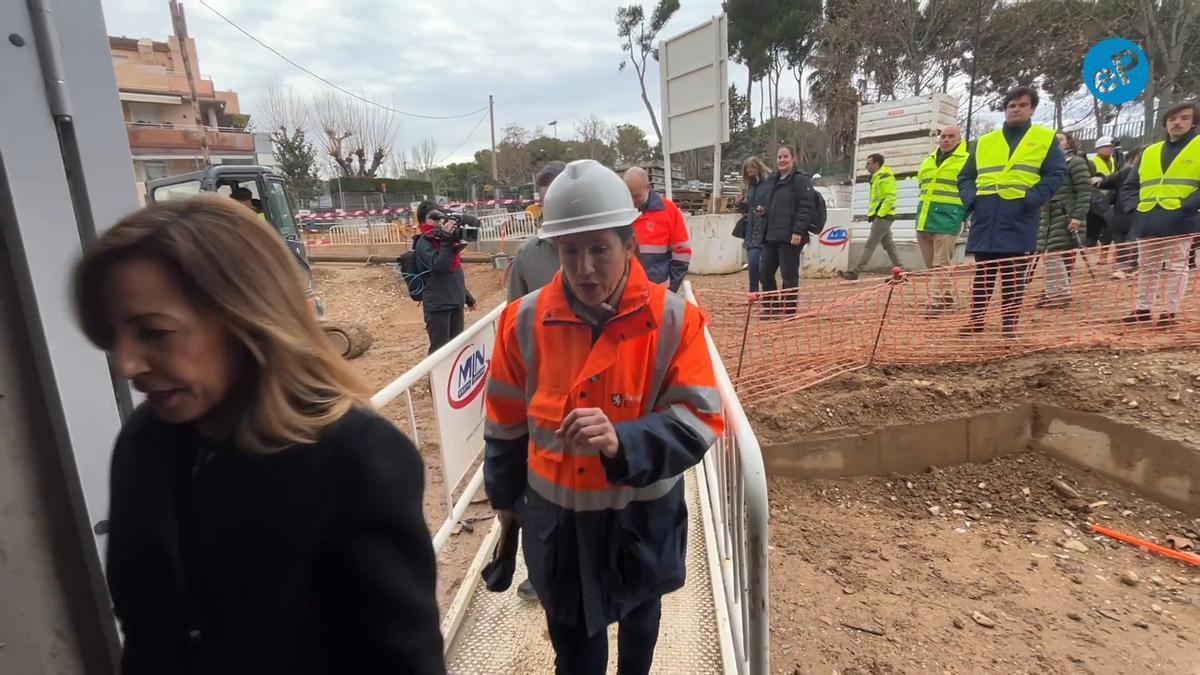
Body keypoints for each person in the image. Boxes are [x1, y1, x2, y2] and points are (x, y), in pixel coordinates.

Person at [73, 196, 445, 674]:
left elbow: (402, 661)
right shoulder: (147, 441)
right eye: (113, 335)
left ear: (245, 318)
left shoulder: (356, 458)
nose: (126, 365)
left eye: (155, 333)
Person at [483, 160, 723, 675]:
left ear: (629, 246)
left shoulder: (673, 319)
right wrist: (505, 505)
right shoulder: (522, 322)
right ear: (554, 250)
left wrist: (624, 440)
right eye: (571, 252)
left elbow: (700, 417)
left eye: (600, 250)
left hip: (641, 523)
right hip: (560, 530)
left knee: (638, 641)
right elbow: (504, 426)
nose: (586, 268)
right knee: (575, 657)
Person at [505, 160, 568, 604]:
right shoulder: (528, 256)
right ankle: (539, 572)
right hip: (541, 392)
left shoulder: (600, 247)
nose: (549, 207)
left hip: (595, 388)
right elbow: (512, 325)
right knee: (538, 489)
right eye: (544, 201)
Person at [958, 85, 1067, 337]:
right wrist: (972, 200)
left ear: (1032, 109)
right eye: (1011, 105)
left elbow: (1056, 173)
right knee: (983, 274)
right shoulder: (985, 142)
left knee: (1013, 275)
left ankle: (1009, 324)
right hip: (986, 215)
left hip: (1019, 215)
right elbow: (965, 176)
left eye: (1022, 105)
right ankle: (976, 320)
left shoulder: (1043, 139)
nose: (1016, 109)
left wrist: (1033, 199)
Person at [1121, 101, 1200, 327]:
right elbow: (1129, 185)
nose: (1177, 123)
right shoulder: (1150, 151)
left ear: (1194, 122)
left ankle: (1169, 311)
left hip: (1180, 218)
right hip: (1147, 217)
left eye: (1184, 118)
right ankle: (1142, 309)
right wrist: (1133, 208)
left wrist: (1187, 206)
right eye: (1173, 119)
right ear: (1165, 123)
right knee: (1147, 266)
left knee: (1177, 265)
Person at [914, 125, 969, 310]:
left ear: (959, 139)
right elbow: (922, 188)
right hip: (925, 219)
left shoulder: (967, 162)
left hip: (948, 219)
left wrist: (962, 215)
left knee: (941, 263)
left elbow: (971, 192)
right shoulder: (927, 161)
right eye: (943, 136)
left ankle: (936, 300)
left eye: (951, 136)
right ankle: (946, 296)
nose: (946, 140)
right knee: (932, 264)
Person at [1036, 131, 1092, 308]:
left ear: (1069, 143)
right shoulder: (1047, 166)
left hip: (1066, 216)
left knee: (1055, 254)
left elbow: (1084, 190)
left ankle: (1059, 294)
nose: (1056, 143)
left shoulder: (1075, 162)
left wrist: (1077, 216)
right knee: (1050, 255)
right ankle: (1052, 291)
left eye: (1060, 140)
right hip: (1049, 217)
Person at [759, 145, 817, 315]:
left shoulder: (801, 181)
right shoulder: (772, 180)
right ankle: (770, 307)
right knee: (765, 273)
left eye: (785, 157)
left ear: (793, 159)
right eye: (779, 157)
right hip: (770, 235)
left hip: (790, 237)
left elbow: (806, 207)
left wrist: (798, 231)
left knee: (788, 275)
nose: (782, 160)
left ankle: (788, 310)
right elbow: (768, 203)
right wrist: (763, 210)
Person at [415, 200, 477, 353]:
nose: (437, 222)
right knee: (440, 351)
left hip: (455, 301)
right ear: (423, 221)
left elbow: (454, 273)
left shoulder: (443, 240)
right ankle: (437, 378)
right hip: (438, 306)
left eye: (439, 218)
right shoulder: (423, 243)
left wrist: (468, 298)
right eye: (433, 218)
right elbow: (441, 267)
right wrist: (446, 241)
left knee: (456, 348)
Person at [622, 166, 692, 292]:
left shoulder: (669, 211)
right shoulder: (619, 213)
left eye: (636, 196)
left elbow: (682, 253)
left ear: (648, 188)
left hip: (659, 292)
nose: (632, 201)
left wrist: (671, 288)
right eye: (628, 195)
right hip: (627, 293)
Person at [508, 161, 568, 303]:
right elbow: (514, 317)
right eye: (548, 202)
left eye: (560, 200)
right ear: (540, 204)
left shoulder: (602, 250)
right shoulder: (526, 255)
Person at [842, 153, 902, 279]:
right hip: (882, 216)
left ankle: (855, 271)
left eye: (869, 163)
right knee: (889, 245)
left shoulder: (884, 176)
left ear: (877, 164)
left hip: (883, 216)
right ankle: (901, 271)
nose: (866, 166)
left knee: (870, 245)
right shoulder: (877, 176)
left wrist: (880, 214)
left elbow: (890, 197)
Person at [1093, 146, 1142, 279]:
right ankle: (1124, 268)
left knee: (1133, 241)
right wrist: (1099, 180)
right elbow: (1108, 181)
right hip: (1121, 214)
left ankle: (1134, 267)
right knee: (1120, 240)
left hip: (1138, 213)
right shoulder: (1126, 172)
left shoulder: (1149, 174)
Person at [739, 156, 772, 293]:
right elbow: (750, 208)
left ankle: (768, 290)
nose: (749, 172)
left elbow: (773, 203)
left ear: (758, 167)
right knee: (752, 264)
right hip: (751, 229)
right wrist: (741, 203)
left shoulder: (769, 184)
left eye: (751, 169)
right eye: (747, 170)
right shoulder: (750, 186)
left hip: (766, 229)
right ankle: (754, 292)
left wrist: (765, 210)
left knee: (761, 266)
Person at [1087, 136, 1119, 255]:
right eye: (1107, 147)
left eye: (1111, 147)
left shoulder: (1114, 161)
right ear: (1098, 148)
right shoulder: (1093, 162)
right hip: (1098, 197)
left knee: (1109, 225)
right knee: (1099, 225)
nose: (1110, 149)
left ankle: (1104, 252)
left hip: (1111, 196)